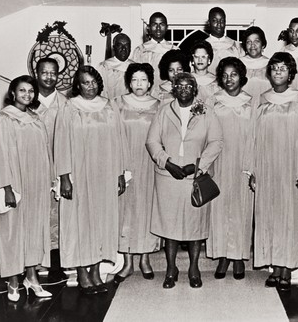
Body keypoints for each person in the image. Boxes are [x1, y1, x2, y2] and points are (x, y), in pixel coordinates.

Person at [54, 65, 129, 295]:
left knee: (100, 222)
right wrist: (65, 176)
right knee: (79, 223)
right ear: (78, 85)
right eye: (85, 82)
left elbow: (119, 140)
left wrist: (120, 173)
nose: (90, 86)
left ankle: (96, 270)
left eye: (94, 81)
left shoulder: (109, 106)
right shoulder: (69, 107)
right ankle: (82, 273)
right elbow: (61, 143)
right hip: (79, 174)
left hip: (105, 174)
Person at [146, 72, 223, 289]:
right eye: (179, 85)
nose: (184, 89)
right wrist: (167, 163)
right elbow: (152, 142)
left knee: (194, 225)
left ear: (195, 89)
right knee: (170, 225)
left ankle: (194, 268)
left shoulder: (206, 111)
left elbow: (216, 142)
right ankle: (171, 269)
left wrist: (197, 166)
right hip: (168, 176)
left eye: (189, 86)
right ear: (173, 88)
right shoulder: (163, 111)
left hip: (194, 177)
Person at [0, 75, 52, 302]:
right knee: (12, 232)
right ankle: (13, 280)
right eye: (22, 91)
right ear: (13, 93)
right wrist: (7, 188)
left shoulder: (36, 118)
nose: (27, 95)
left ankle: (32, 278)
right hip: (14, 184)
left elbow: (44, 152)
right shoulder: (2, 119)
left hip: (36, 184)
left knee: (33, 231)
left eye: (30, 91)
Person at [250, 52, 298, 292]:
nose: (278, 72)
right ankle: (274, 267)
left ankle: (286, 269)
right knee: (269, 216)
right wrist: (254, 169)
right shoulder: (262, 99)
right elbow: (253, 137)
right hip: (266, 166)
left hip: (291, 166)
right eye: (274, 68)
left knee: (288, 217)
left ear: (291, 73)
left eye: (283, 68)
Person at [205, 57, 254, 280]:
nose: (229, 79)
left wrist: (252, 165)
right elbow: (205, 133)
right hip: (220, 161)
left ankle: (238, 258)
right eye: (224, 75)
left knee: (241, 209)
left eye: (233, 74)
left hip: (243, 161)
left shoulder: (252, 103)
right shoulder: (213, 101)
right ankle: (223, 256)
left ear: (242, 77)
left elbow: (256, 136)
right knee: (220, 208)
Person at [113, 63, 161, 283]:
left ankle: (145, 259)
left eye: (143, 80)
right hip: (126, 162)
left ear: (150, 82)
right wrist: (119, 166)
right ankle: (128, 261)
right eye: (135, 80)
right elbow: (112, 136)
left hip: (151, 164)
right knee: (127, 211)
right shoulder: (117, 104)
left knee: (148, 210)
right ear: (129, 82)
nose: (139, 84)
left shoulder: (160, 106)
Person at [34, 57, 69, 282]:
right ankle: (36, 260)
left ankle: (57, 260)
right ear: (36, 73)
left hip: (59, 165)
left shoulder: (66, 103)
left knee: (58, 214)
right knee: (36, 213)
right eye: (44, 72)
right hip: (34, 166)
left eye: (53, 73)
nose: (49, 77)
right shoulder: (26, 101)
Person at [132, 12, 177, 89]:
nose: (158, 28)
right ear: (149, 27)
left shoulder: (174, 50)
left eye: (162, 24)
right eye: (154, 24)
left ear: (167, 27)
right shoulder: (141, 50)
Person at [240, 26, 271, 111]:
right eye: (248, 42)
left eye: (256, 41)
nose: (252, 45)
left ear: (263, 44)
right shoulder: (238, 64)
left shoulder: (270, 64)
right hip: (243, 109)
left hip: (265, 109)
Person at [205, 7, 244, 74]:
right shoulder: (203, 46)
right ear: (209, 23)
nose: (219, 24)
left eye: (222, 21)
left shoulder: (236, 46)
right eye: (215, 21)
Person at [97, 33, 135, 100]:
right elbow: (102, 93)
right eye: (120, 45)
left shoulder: (136, 67)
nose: (123, 49)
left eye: (127, 45)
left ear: (130, 48)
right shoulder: (104, 66)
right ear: (114, 48)